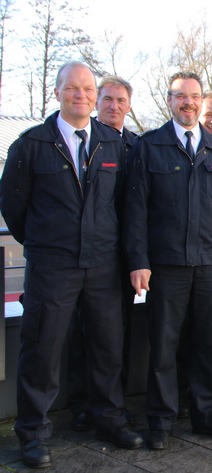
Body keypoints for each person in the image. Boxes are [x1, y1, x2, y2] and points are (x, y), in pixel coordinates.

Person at [0, 62, 143, 469]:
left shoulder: (113, 145)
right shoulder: (30, 145)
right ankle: (31, 434)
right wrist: (47, 243)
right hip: (53, 266)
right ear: (58, 91)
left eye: (87, 88)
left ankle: (109, 419)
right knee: (41, 351)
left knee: (108, 349)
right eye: (72, 88)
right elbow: (14, 207)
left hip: (103, 265)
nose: (80, 95)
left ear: (94, 95)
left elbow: (126, 209)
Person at [124, 71, 212, 449]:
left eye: (194, 96)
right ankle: (160, 421)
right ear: (169, 100)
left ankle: (209, 415)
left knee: (210, 344)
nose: (188, 102)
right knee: (163, 347)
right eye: (181, 96)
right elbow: (136, 211)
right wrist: (138, 260)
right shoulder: (149, 146)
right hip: (167, 265)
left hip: (210, 265)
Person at [66, 74, 139, 433]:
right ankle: (82, 405)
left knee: (116, 335)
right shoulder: (84, 141)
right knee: (81, 334)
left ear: (129, 106)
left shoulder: (136, 146)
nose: (113, 107)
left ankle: (115, 404)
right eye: (107, 100)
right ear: (97, 103)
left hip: (125, 257)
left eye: (120, 101)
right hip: (85, 257)